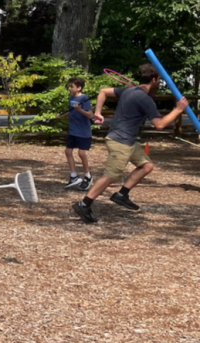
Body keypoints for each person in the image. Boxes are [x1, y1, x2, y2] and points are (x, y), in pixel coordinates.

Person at [72, 64, 188, 223]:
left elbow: (103, 91)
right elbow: (160, 125)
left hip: (128, 141)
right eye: (158, 81)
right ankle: (84, 204)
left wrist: (98, 112)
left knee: (146, 166)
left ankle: (122, 194)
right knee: (110, 176)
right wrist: (178, 110)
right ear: (154, 80)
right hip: (120, 142)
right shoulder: (144, 99)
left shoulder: (129, 90)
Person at [59, 77, 95, 190]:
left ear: (79, 88)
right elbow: (71, 112)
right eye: (69, 86)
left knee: (81, 154)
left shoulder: (84, 98)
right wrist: (60, 116)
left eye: (72, 86)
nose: (69, 88)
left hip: (83, 131)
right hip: (73, 131)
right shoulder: (71, 98)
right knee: (68, 151)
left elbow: (90, 115)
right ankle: (74, 176)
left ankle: (88, 176)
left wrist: (80, 110)